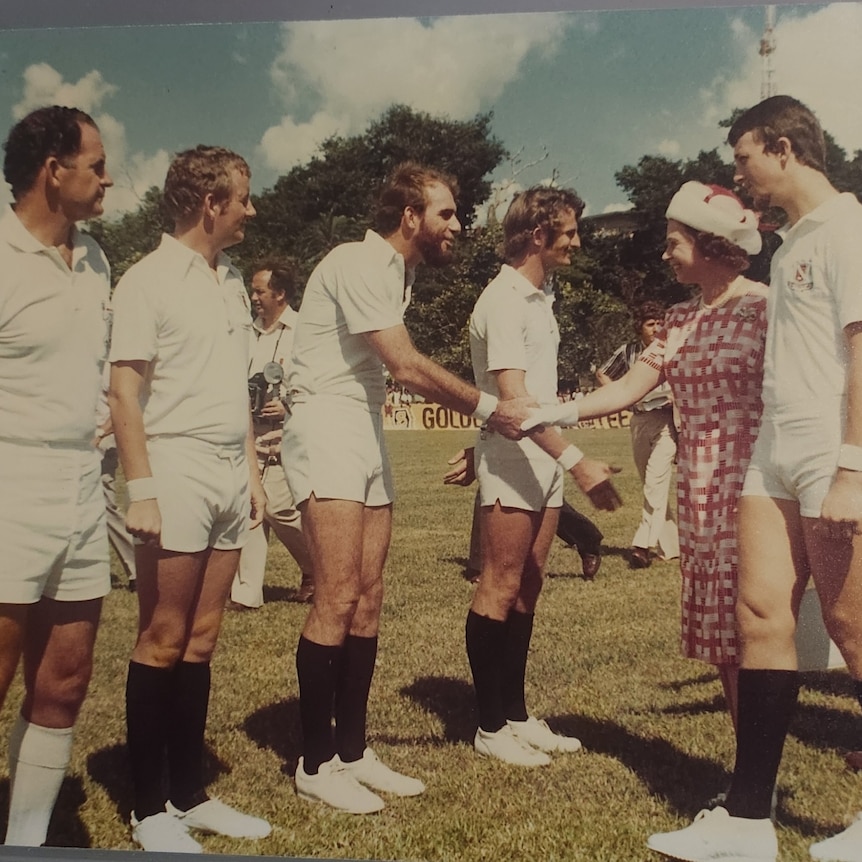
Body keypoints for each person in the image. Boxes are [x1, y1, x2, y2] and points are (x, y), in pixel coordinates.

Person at [644, 96, 862, 862]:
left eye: (743, 160)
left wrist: (851, 468)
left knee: (852, 631)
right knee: (760, 618)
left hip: (831, 453)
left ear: (781, 148)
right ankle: (746, 822)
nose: (739, 175)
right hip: (771, 450)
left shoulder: (848, 228)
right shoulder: (790, 240)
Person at [283, 162, 536, 814]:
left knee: (368, 598)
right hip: (327, 430)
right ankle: (315, 762)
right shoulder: (360, 263)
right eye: (447, 213)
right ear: (410, 217)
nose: (457, 225)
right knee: (337, 595)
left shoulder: (398, 273)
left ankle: (353, 751)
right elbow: (404, 365)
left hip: (363, 432)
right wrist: (488, 408)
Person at [524, 180, 765, 743]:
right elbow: (628, 389)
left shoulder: (766, 308)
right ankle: (753, 767)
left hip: (760, 483)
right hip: (702, 487)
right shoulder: (678, 321)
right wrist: (551, 413)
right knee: (724, 632)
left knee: (766, 621)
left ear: (710, 244)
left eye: (673, 241)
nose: (664, 253)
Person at [109, 145, 271, 853]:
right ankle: (150, 811)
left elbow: (235, 387)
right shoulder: (147, 280)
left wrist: (252, 474)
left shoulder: (229, 281)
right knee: (164, 636)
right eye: (244, 197)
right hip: (171, 469)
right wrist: (141, 491)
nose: (251, 209)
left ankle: (188, 795)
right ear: (211, 204)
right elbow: (124, 391)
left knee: (202, 639)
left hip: (228, 475)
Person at [465, 186, 621, 767]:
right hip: (514, 456)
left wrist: (562, 458)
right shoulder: (503, 300)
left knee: (529, 581)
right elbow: (512, 402)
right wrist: (576, 459)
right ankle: (488, 726)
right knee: (500, 583)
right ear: (537, 234)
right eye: (570, 232)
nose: (577, 242)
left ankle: (515, 714)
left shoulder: (540, 295)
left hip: (542, 455)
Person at [0, 106, 113, 847]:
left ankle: (25, 838)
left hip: (83, 487)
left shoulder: (99, 259)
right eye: (97, 165)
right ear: (54, 170)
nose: (107, 179)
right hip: (10, 483)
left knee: (65, 681)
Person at [229, 261, 314, 610]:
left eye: (259, 291)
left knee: (280, 509)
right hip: (248, 437)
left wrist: (287, 404)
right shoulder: (246, 333)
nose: (253, 297)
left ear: (280, 293)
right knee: (251, 508)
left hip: (286, 435)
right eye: (252, 290)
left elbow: (314, 380)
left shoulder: (303, 330)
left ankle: (318, 569)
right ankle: (247, 593)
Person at [597, 300, 679, 569]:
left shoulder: (672, 350)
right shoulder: (630, 352)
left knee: (656, 482)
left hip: (666, 421)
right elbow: (603, 373)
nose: (656, 328)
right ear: (639, 328)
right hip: (640, 419)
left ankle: (642, 545)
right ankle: (673, 547)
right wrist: (623, 396)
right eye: (650, 324)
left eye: (659, 323)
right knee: (651, 485)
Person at [444, 455, 604, 581]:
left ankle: (587, 538)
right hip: (497, 434)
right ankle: (480, 565)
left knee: (541, 496)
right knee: (491, 487)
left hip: (531, 431)